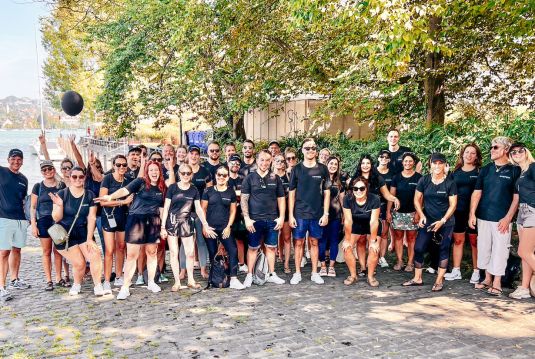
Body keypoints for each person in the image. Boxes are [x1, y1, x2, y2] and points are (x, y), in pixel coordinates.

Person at [97, 160, 166, 300]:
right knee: (132, 255)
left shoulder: (162, 187)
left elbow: (162, 209)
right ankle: (125, 287)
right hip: (136, 221)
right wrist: (111, 196)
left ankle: (151, 282)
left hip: (153, 221)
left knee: (152, 253)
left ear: (160, 172)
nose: (154, 172)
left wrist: (162, 226)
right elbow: (125, 190)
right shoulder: (140, 182)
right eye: (151, 170)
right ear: (147, 171)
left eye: (156, 170)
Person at [469, 137, 520, 296]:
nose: (491, 150)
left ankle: (497, 281)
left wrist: (508, 217)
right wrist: (472, 214)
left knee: (500, 250)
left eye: (495, 147)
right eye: (491, 147)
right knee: (484, 248)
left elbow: (516, 198)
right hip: (483, 216)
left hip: (502, 219)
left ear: (506, 149)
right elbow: (477, 193)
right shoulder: (485, 169)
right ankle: (487, 278)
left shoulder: (514, 170)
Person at [403, 153, 457, 292]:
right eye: (435, 163)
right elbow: (416, 199)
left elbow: (453, 205)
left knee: (443, 250)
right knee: (419, 248)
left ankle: (439, 281)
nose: (437, 166)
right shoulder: (424, 180)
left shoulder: (450, 182)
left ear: (445, 165)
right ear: (430, 165)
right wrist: (421, 215)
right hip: (428, 219)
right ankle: (417, 278)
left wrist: (443, 220)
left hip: (446, 221)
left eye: (440, 163)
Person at [50, 166, 103, 296]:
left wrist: (90, 238)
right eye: (74, 176)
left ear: (84, 178)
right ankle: (76, 284)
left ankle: (98, 285)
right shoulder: (62, 194)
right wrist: (59, 205)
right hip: (65, 234)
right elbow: (56, 218)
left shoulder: (89, 194)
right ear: (70, 177)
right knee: (79, 263)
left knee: (95, 254)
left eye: (81, 176)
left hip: (83, 232)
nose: (78, 179)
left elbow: (91, 217)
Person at [161, 164, 215, 290]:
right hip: (172, 222)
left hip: (186, 222)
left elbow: (199, 209)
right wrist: (163, 227)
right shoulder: (173, 188)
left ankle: (191, 279)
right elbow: (166, 207)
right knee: (174, 253)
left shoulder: (194, 189)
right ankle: (177, 282)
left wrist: (205, 224)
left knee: (190, 253)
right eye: (183, 173)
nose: (185, 175)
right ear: (179, 174)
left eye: (188, 173)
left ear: (191, 175)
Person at [241, 150, 286, 287]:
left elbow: (281, 199)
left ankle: (271, 274)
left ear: (271, 160)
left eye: (267, 160)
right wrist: (247, 219)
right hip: (254, 220)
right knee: (253, 248)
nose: (264, 163)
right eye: (262, 160)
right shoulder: (249, 178)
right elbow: (244, 199)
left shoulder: (275, 178)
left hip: (272, 219)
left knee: (271, 247)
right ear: (257, 160)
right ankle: (249, 275)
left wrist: (281, 217)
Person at [288, 138, 330, 285]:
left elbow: (327, 192)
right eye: (307, 148)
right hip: (299, 213)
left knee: (314, 242)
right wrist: (291, 215)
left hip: (317, 213)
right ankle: (297, 273)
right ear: (302, 150)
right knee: (298, 243)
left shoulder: (323, 169)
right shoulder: (296, 169)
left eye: (313, 148)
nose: (310, 150)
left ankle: (314, 273)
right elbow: (291, 193)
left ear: (316, 151)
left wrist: (326, 213)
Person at [351, 154, 400, 275]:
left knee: (373, 241)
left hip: (373, 215)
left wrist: (394, 199)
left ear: (371, 165)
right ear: (360, 165)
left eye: (368, 163)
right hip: (358, 214)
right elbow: (350, 196)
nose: (365, 165)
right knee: (361, 241)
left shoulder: (378, 178)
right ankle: (362, 267)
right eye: (363, 163)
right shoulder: (355, 179)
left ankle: (370, 267)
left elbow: (386, 194)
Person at [201, 165, 246, 289]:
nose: (221, 177)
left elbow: (233, 211)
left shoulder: (230, 191)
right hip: (210, 227)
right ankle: (215, 277)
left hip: (224, 227)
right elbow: (203, 209)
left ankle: (234, 278)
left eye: (224, 175)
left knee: (232, 250)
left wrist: (228, 226)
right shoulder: (208, 191)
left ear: (227, 177)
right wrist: (205, 226)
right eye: (219, 175)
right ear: (215, 176)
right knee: (213, 253)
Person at [444, 144, 482, 283]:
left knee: (474, 242)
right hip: (458, 211)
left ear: (477, 156)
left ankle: (476, 271)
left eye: (473, 153)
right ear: (462, 154)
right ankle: (456, 271)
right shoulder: (455, 172)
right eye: (467, 152)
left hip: (475, 212)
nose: (469, 155)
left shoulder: (480, 172)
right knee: (458, 241)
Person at [98, 155, 134, 294]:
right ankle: (107, 280)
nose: (121, 168)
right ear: (113, 165)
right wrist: (122, 202)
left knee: (121, 247)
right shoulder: (107, 179)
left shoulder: (128, 180)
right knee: (109, 249)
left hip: (123, 217)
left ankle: (119, 275)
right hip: (109, 216)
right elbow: (102, 201)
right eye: (118, 165)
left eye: (124, 165)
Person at [30, 160, 67, 291]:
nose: (47, 172)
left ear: (54, 169)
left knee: (58, 251)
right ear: (41, 172)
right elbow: (33, 207)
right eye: (44, 170)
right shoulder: (38, 187)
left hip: (57, 221)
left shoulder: (61, 185)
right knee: (46, 251)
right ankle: (48, 280)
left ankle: (58, 278)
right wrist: (33, 225)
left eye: (49, 169)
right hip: (43, 221)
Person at [0, 149, 29, 301]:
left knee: (17, 250)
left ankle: (14, 280)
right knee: (4, 253)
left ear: (22, 161)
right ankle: (1, 287)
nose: (16, 161)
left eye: (19, 159)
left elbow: (24, 201)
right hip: (4, 218)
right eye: (13, 158)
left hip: (20, 219)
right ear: (8, 159)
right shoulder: (2, 172)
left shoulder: (24, 179)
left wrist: (28, 218)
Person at [342, 176, 381, 286]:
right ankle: (353, 276)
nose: (359, 191)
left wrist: (373, 241)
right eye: (356, 188)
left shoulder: (374, 199)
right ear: (352, 189)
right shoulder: (347, 199)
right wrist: (347, 239)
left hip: (371, 225)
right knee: (347, 247)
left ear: (366, 188)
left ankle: (370, 277)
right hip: (356, 224)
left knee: (374, 248)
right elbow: (348, 220)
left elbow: (374, 221)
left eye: (362, 188)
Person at [179, 145, 211, 280]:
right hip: (185, 212)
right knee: (184, 243)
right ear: (188, 155)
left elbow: (210, 192)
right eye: (191, 153)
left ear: (199, 156)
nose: (194, 156)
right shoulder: (183, 170)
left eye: (196, 154)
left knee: (201, 241)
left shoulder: (205, 172)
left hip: (200, 211)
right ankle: (182, 270)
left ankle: (203, 269)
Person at [508, 143, 535, 299]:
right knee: (527, 254)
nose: (517, 153)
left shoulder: (533, 167)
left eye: (520, 150)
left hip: (533, 210)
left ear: (526, 152)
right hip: (522, 213)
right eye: (513, 152)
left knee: (523, 251)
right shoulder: (520, 172)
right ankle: (524, 288)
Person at [387, 152, 422, 271]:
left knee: (412, 238)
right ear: (402, 163)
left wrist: (418, 213)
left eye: (410, 161)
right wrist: (388, 211)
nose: (408, 163)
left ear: (414, 163)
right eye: (405, 161)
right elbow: (391, 195)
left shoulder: (419, 178)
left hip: (413, 212)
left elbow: (421, 198)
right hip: (398, 213)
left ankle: (410, 263)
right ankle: (400, 261)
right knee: (398, 238)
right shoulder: (396, 177)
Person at [319, 156, 345, 278]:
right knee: (322, 240)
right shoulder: (320, 179)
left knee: (334, 241)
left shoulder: (339, 182)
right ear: (326, 164)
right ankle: (323, 266)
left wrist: (345, 215)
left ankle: (331, 267)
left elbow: (342, 200)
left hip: (336, 216)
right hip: (321, 216)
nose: (333, 166)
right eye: (331, 163)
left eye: (335, 164)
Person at [228, 154, 248, 272]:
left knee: (240, 240)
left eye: (238, 163)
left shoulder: (243, 178)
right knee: (226, 239)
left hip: (240, 213)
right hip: (226, 213)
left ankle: (241, 263)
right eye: (233, 162)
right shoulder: (224, 177)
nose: (235, 165)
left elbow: (245, 195)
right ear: (228, 163)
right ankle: (227, 262)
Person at [273, 154, 292, 274]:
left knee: (286, 237)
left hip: (286, 211)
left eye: (282, 161)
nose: (280, 163)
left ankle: (286, 264)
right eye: (277, 160)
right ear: (273, 162)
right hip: (272, 211)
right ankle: (271, 265)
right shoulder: (270, 177)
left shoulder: (289, 177)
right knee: (271, 239)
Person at [376, 150, 394, 268]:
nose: (384, 159)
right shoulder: (372, 171)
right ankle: (373, 256)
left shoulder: (392, 175)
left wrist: (388, 211)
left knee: (383, 233)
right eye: (381, 156)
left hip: (385, 205)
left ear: (389, 160)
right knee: (371, 233)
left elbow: (391, 194)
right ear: (378, 158)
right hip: (372, 206)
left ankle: (382, 257)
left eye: (386, 157)